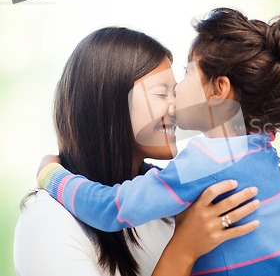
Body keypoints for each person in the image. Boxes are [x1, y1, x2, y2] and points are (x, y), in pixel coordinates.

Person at [38, 8, 280, 275]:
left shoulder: (205, 160)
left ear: (219, 89)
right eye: (161, 91)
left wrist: (52, 176)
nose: (177, 91)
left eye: (188, 72)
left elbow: (112, 208)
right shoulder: (262, 151)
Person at [13, 26, 261, 276]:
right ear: (111, 103)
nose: (177, 107)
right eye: (162, 93)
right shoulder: (46, 221)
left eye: (175, 93)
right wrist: (184, 250)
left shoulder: (174, 205)